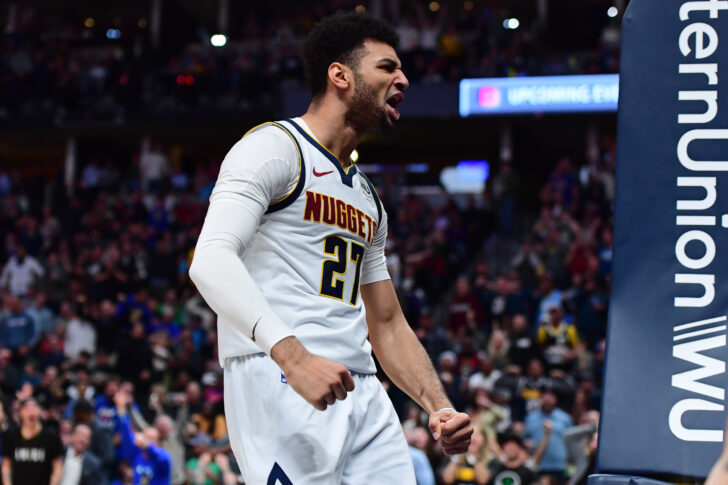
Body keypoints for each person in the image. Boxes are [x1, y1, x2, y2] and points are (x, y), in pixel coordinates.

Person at [189, 11, 472, 484]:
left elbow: (385, 322)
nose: (403, 78)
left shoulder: (367, 197)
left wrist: (438, 405)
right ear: (339, 75)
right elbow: (211, 259)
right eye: (387, 67)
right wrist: (293, 356)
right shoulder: (274, 147)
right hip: (280, 370)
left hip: (361, 387)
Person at [1, 398, 63, 485]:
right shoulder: (10, 436)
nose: (31, 413)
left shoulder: (52, 437)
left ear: (40, 411)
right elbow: (6, 465)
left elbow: (57, 467)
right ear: (20, 413)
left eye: (34, 408)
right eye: (27, 409)